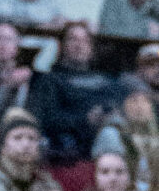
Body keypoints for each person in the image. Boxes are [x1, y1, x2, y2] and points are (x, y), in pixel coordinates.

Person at [31, 21, 112, 166]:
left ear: (91, 48)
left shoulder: (106, 81)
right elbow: (47, 119)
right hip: (69, 148)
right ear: (62, 46)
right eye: (73, 39)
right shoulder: (50, 80)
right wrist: (85, 120)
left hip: (106, 140)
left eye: (84, 40)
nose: (79, 45)